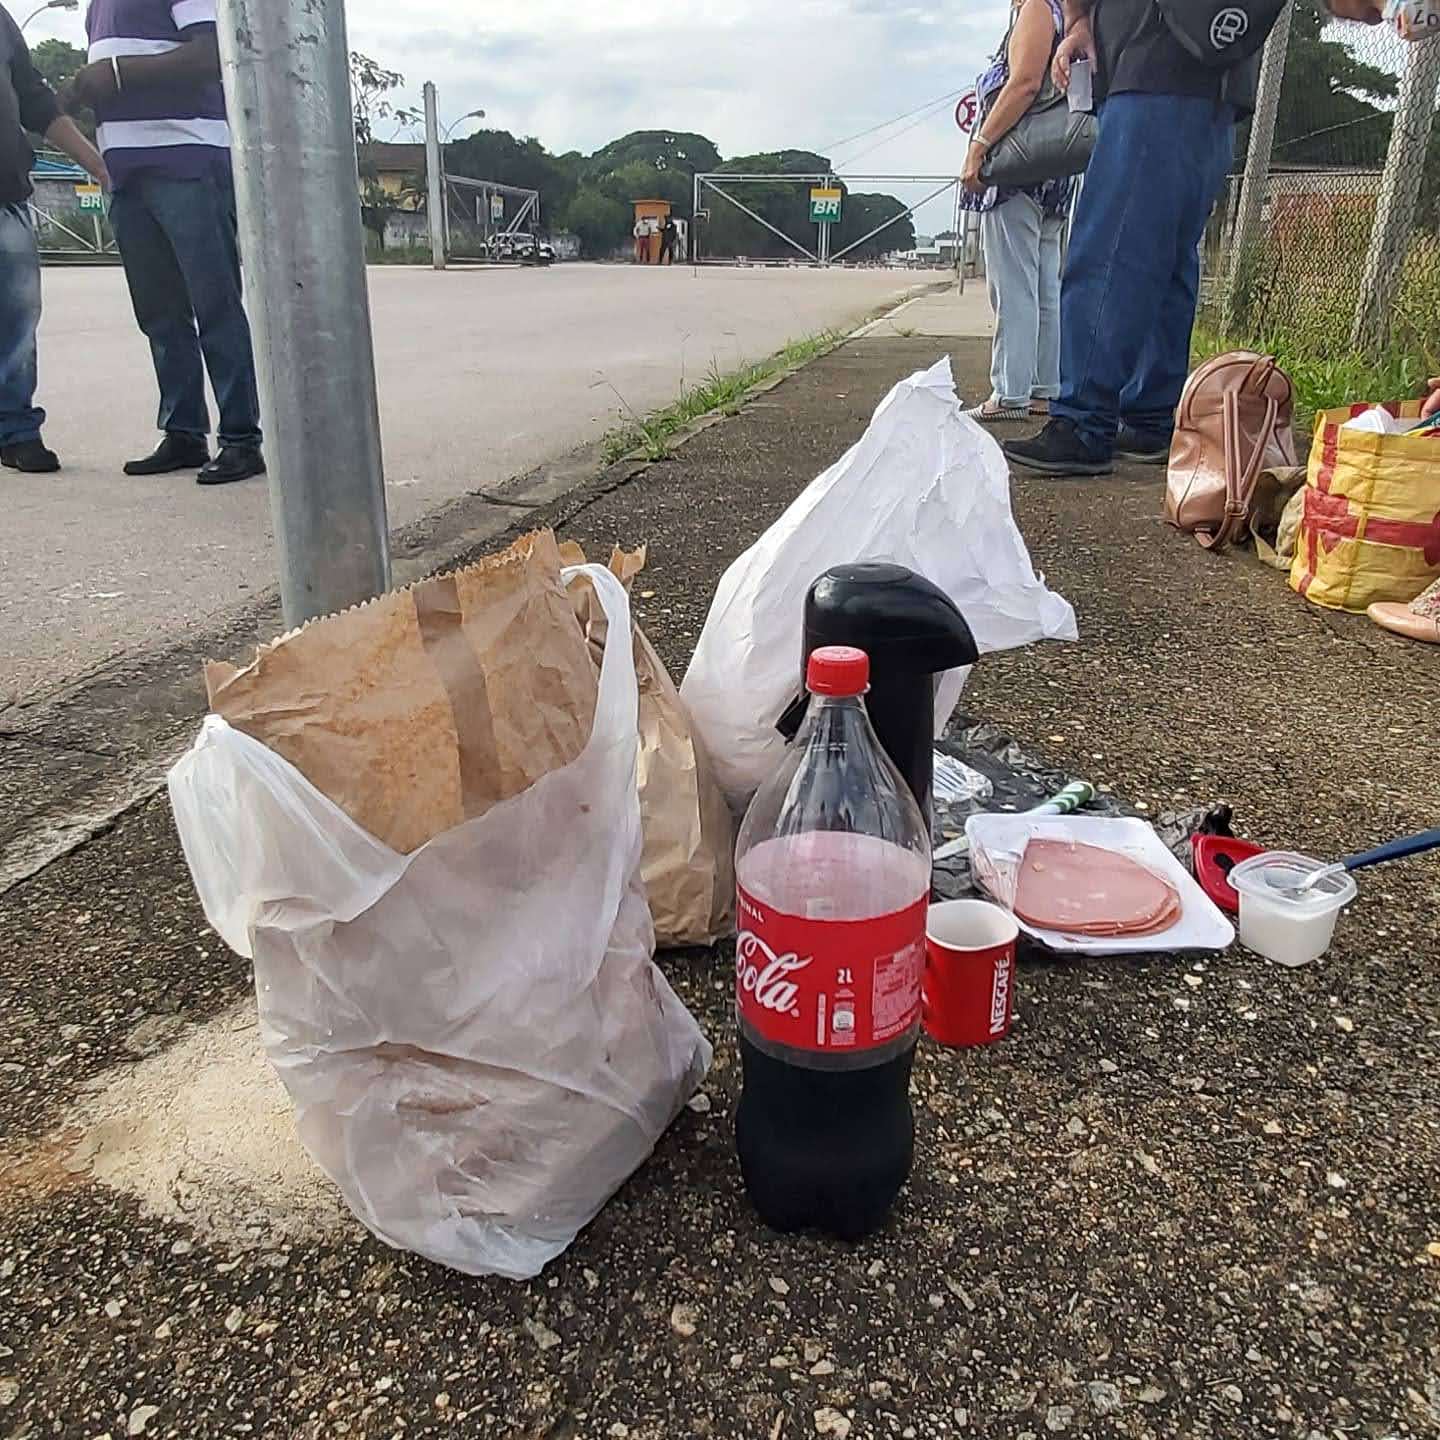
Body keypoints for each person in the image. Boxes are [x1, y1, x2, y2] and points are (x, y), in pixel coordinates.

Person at [1004, 0, 1387, 477]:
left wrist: (1079, 20)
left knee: (1112, 249)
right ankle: (1148, 415)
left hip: (1151, 59)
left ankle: (1085, 420)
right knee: (1168, 256)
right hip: (1210, 69)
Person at [66, 0, 264, 486]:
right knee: (159, 314)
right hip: (125, 173)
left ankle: (241, 439)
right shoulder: (97, 7)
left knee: (215, 305)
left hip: (187, 161)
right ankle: (183, 432)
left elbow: (212, 53)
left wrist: (117, 72)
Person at [0, 4, 108, 474]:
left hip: (5, 194)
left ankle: (16, 431)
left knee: (15, 326)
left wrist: (97, 163)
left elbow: (35, 100)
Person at [961, 0, 1073, 423]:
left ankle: (1010, 393)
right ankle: (1043, 387)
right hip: (1051, 172)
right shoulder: (1068, 15)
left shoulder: (1038, 9)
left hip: (1016, 172)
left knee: (1014, 286)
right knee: (1044, 287)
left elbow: (1024, 83)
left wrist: (980, 145)